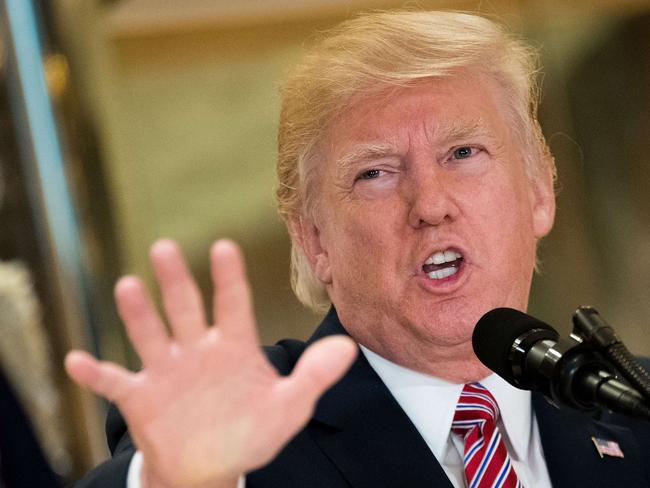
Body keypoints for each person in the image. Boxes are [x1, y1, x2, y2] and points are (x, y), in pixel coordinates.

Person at [66, 10, 650, 488]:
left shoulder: (631, 410)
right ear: (313, 239)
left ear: (539, 190)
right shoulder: (250, 427)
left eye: (463, 153)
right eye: (375, 172)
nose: (430, 204)